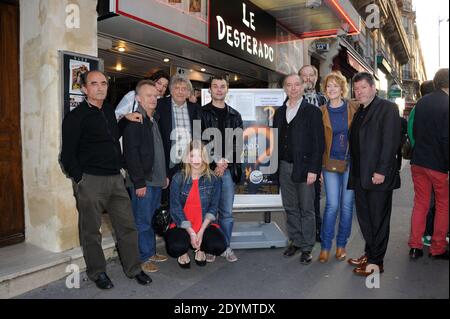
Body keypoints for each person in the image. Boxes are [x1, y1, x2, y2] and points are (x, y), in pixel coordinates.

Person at [60, 70, 152, 290]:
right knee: (91, 231)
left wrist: (124, 120)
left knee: (127, 227)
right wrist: (80, 179)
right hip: (90, 181)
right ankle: (98, 272)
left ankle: (134, 268)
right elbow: (67, 155)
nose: (100, 87)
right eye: (94, 83)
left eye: (103, 83)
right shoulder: (75, 116)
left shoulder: (109, 111)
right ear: (84, 89)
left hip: (115, 179)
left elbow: (110, 136)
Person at [347, 72, 401, 276]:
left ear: (373, 88)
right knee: (366, 219)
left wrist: (381, 171)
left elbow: (390, 143)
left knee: (378, 219)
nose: (358, 92)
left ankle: (376, 262)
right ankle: (370, 253)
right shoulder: (360, 110)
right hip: (360, 176)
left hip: (378, 177)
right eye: (356, 89)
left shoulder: (387, 108)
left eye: (362, 87)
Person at [273, 74, 324, 265]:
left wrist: (314, 170)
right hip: (284, 166)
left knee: (307, 209)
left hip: (304, 168)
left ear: (303, 86)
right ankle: (295, 240)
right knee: (290, 207)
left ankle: (307, 247)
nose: (293, 88)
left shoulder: (312, 111)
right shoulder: (279, 112)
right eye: (289, 85)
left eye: (296, 84)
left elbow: (319, 144)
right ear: (284, 88)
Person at [122, 80, 170, 273]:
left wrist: (164, 175)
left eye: (155, 95)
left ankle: (149, 252)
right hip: (143, 182)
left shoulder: (154, 119)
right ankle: (142, 258)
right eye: (148, 95)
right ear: (138, 99)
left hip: (157, 180)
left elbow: (159, 151)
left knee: (151, 219)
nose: (153, 99)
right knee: (141, 221)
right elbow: (131, 155)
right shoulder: (135, 122)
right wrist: (138, 182)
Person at [201, 76, 243, 263]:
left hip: (227, 169)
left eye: (222, 86)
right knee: (207, 212)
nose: (219, 89)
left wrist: (223, 162)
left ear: (227, 90)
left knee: (226, 212)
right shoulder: (201, 113)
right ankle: (211, 247)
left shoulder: (235, 115)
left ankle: (225, 246)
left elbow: (238, 144)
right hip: (206, 170)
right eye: (215, 86)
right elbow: (198, 141)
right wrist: (213, 163)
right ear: (209, 90)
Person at [408, 68, 449, 260]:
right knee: (443, 205)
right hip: (439, 165)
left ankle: (415, 246)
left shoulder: (422, 102)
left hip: (419, 162)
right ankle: (437, 248)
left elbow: (414, 131)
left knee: (421, 204)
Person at [165, 141, 226, 268]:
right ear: (187, 157)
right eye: (193, 156)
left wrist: (201, 231)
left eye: (200, 156)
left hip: (204, 223)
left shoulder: (214, 179)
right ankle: (183, 251)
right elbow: (175, 208)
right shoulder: (178, 178)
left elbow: (213, 208)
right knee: (176, 248)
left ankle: (201, 248)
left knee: (219, 246)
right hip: (182, 224)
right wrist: (192, 232)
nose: (197, 160)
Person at [318, 72, 358, 263]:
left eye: (335, 85)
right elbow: (316, 142)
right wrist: (317, 167)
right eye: (328, 86)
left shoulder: (354, 108)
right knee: (332, 205)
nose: (331, 89)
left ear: (342, 88)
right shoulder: (321, 111)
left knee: (347, 205)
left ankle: (341, 245)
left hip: (351, 163)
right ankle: (326, 246)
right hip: (330, 163)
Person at [299, 65, 327, 242]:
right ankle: (301, 233)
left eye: (311, 75)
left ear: (316, 78)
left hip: (317, 156)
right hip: (297, 157)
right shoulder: (292, 99)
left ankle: (317, 230)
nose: (308, 78)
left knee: (315, 196)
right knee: (298, 199)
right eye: (305, 75)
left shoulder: (325, 100)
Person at [156, 75, 203, 180]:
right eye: (177, 88)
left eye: (184, 89)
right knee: (169, 194)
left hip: (190, 162)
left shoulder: (195, 108)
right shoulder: (159, 105)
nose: (180, 92)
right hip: (167, 161)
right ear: (171, 90)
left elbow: (199, 133)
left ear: (188, 93)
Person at [408, 80, 436, 247]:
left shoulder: (416, 109)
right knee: (435, 201)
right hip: (435, 163)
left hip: (418, 161)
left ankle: (418, 238)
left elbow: (412, 134)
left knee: (422, 202)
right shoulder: (437, 107)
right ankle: (430, 234)